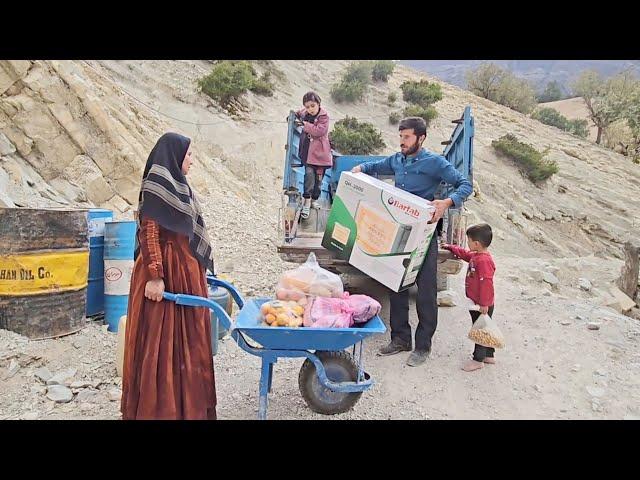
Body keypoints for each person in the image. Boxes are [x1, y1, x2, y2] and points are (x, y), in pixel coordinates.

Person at [352, 117, 472, 366]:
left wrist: (447, 202)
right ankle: (400, 339)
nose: (402, 142)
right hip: (399, 232)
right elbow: (377, 166)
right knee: (396, 286)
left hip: (424, 235)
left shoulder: (435, 162)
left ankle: (423, 346)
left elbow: (464, 184)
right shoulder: (397, 160)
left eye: (406, 137)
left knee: (426, 289)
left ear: (421, 138)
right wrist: (361, 169)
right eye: (400, 137)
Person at [121, 132, 217, 420]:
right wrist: (154, 275)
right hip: (163, 276)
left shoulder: (179, 185)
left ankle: (188, 409)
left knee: (189, 342)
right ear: (174, 157)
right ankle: (161, 411)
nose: (193, 161)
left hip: (184, 273)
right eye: (189, 155)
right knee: (161, 346)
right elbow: (148, 229)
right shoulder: (157, 185)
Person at [443, 224, 496, 372]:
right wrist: (450, 247)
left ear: (477, 244)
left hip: (482, 305)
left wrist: (484, 304)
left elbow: (487, 283)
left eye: (469, 241)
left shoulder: (484, 261)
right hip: (478, 303)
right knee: (485, 328)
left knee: (479, 330)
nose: (467, 243)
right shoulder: (477, 256)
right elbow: (465, 254)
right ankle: (489, 354)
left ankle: (478, 359)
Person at [295, 91, 332, 219]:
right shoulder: (305, 113)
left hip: (321, 154)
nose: (310, 109)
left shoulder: (324, 116)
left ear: (318, 104)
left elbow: (319, 131)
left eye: (312, 106)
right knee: (309, 175)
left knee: (318, 180)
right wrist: (293, 116)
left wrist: (304, 125)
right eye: (307, 106)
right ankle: (307, 201)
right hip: (308, 151)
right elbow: (298, 113)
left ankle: (314, 199)